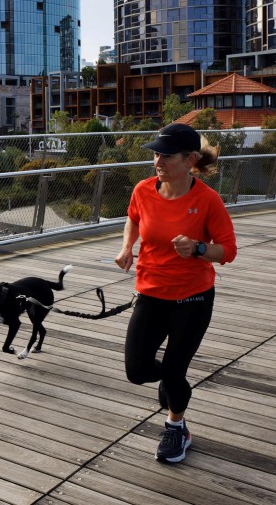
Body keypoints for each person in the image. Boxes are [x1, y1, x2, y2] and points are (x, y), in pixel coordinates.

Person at [114, 122, 237, 464]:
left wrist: (198, 248)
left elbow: (227, 250)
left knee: (173, 372)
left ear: (189, 159)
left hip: (193, 298)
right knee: (136, 370)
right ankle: (171, 382)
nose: (158, 161)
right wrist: (127, 247)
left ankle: (176, 426)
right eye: (156, 154)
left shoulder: (207, 200)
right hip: (151, 292)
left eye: (166, 156)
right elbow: (134, 218)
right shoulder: (142, 190)